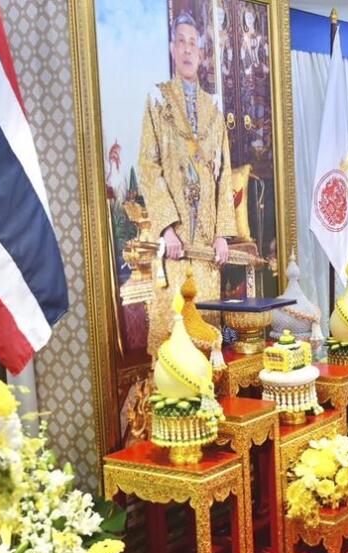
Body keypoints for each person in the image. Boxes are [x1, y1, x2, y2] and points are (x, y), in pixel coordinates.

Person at [137, 11, 237, 356]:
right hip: (175, 247)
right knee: (173, 335)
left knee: (205, 335)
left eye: (193, 43)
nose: (187, 49)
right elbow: (148, 166)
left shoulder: (214, 108)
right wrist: (167, 229)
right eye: (181, 42)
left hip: (206, 248)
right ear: (172, 48)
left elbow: (224, 174)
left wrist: (222, 234)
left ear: (201, 52)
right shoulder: (157, 100)